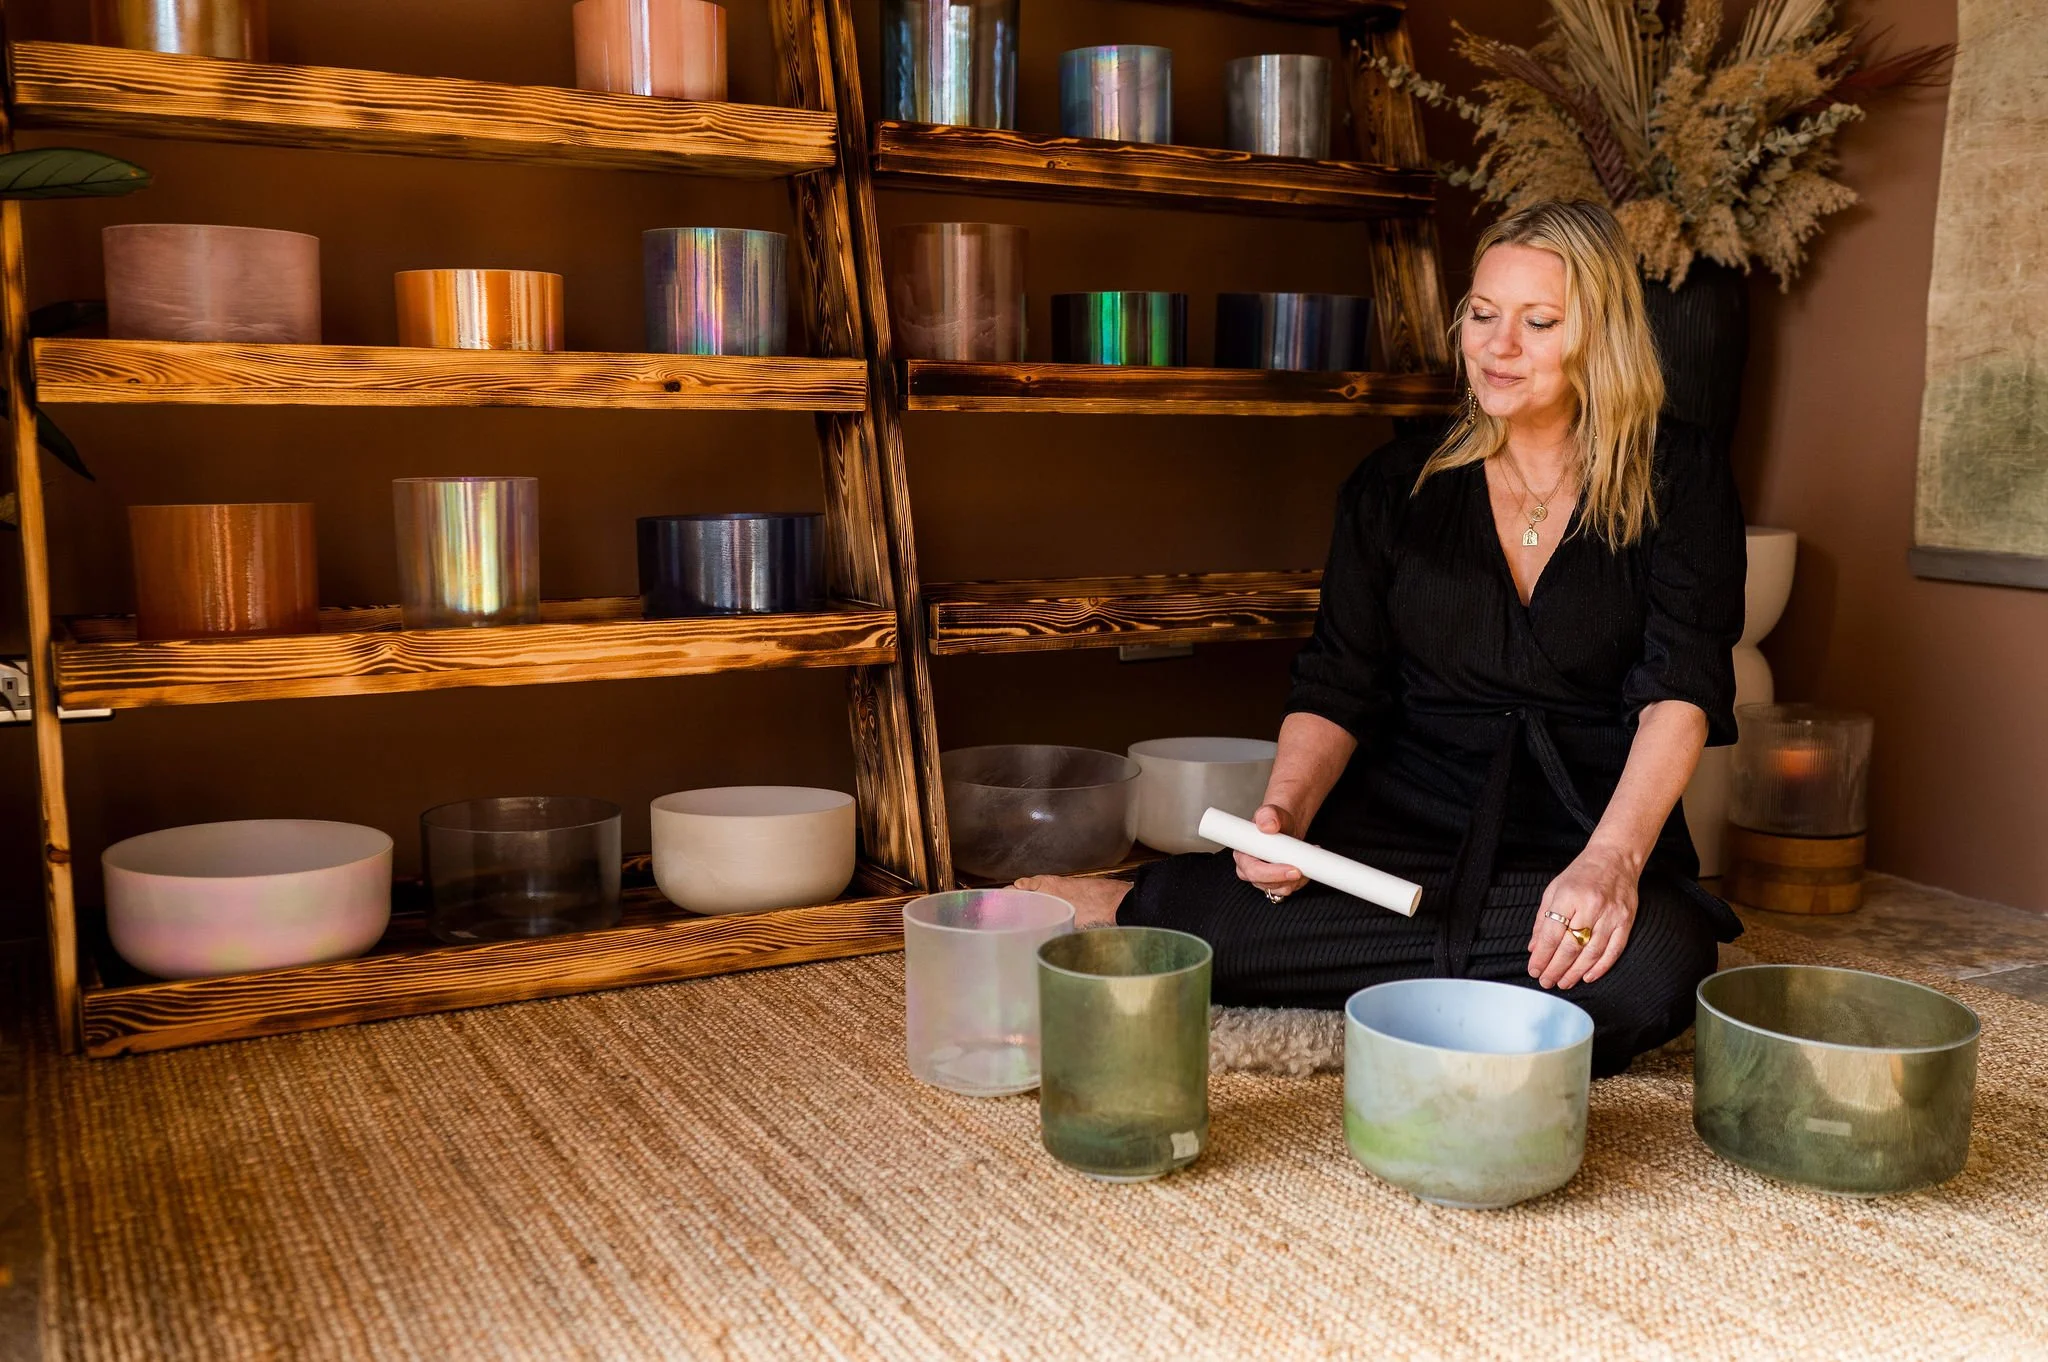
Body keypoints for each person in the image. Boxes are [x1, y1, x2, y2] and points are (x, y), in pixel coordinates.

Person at [1023, 200, 1747, 1077]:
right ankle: (1155, 905)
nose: (1497, 345)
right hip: (1400, 829)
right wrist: (1284, 818)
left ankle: (1329, 946)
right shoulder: (1393, 485)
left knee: (1654, 972)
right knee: (1214, 932)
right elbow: (1337, 684)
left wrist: (1610, 863)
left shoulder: (1681, 475)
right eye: (1482, 314)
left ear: (1604, 337)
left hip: (1585, 831)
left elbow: (1683, 688)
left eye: (1539, 322)